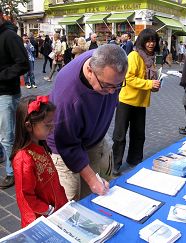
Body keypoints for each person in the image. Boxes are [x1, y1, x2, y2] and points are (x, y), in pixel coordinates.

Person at [47, 45, 128, 200]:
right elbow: (67, 143)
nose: (112, 91)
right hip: (64, 147)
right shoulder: (68, 94)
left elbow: (111, 90)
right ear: (90, 71)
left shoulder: (108, 65)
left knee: (93, 195)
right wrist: (91, 178)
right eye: (107, 86)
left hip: (93, 142)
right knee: (69, 199)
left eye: (118, 85)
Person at [11, 95, 68, 228]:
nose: (52, 128)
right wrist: (48, 210)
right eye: (47, 125)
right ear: (29, 126)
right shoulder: (23, 159)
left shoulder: (40, 145)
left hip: (55, 209)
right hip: (41, 218)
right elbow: (26, 196)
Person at [112, 28, 161, 176]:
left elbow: (149, 81)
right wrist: (148, 84)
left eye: (154, 41)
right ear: (142, 41)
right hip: (126, 101)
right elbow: (129, 78)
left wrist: (155, 86)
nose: (151, 44)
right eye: (148, 40)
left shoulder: (151, 59)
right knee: (120, 135)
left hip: (140, 102)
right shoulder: (134, 55)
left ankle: (135, 160)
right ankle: (115, 164)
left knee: (139, 134)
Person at [0, 8, 29, 189]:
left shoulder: (9, 36)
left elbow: (23, 64)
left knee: (8, 136)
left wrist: (2, 75)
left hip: (6, 95)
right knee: (4, 135)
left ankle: (13, 173)